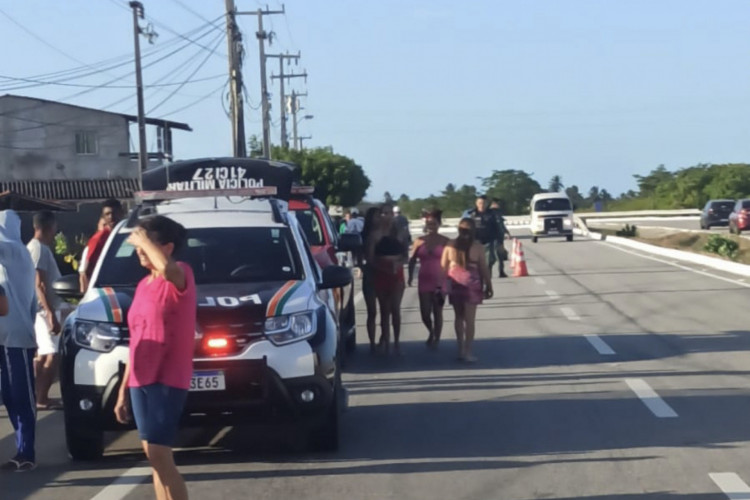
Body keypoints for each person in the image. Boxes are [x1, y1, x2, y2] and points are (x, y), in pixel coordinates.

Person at [114, 216, 196, 500]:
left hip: (168, 376)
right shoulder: (143, 286)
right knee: (153, 456)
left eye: (146, 247)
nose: (140, 252)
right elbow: (136, 339)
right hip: (140, 377)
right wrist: (123, 391)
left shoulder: (180, 274)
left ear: (168, 247)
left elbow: (166, 267)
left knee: (160, 453)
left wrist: (143, 239)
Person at [0, 210, 39, 472]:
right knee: (9, 395)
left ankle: (27, 451)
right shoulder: (10, 257)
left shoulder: (16, 251)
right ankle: (21, 448)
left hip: (16, 337)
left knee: (21, 396)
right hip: (8, 336)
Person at [441, 218, 492, 363]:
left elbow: (443, 267)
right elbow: (483, 267)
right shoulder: (478, 247)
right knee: (470, 320)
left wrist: (441, 286)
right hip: (472, 283)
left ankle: (460, 349)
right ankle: (468, 351)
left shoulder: (450, 245)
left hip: (455, 282)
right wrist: (489, 284)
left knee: (458, 317)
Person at [27, 211, 64, 410]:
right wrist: (50, 313)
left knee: (43, 354)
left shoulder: (35, 248)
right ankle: (42, 397)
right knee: (52, 354)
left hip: (42, 309)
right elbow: (39, 284)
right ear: (50, 227)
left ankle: (38, 396)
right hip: (44, 310)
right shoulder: (38, 249)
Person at [368, 204, 407, 355]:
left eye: (390, 213)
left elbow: (405, 256)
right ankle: (386, 341)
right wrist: (383, 267)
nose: (387, 216)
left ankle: (397, 341)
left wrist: (398, 263)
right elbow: (370, 258)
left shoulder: (400, 233)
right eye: (384, 213)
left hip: (396, 273)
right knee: (384, 310)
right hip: (381, 272)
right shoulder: (375, 235)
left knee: (395, 309)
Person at [408, 210, 449, 349]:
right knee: (425, 312)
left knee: (438, 311)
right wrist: (409, 276)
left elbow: (451, 261)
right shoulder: (419, 241)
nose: (431, 226)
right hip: (424, 279)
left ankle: (436, 337)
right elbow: (412, 259)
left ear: (439, 224)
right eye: (429, 223)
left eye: (434, 223)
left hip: (440, 279)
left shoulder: (445, 241)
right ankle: (431, 331)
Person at [80, 199, 124, 293]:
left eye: (114, 213)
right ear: (103, 217)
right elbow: (85, 272)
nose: (111, 217)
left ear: (121, 213)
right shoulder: (98, 240)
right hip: (104, 291)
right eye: (107, 214)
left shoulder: (131, 235)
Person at [360, 207, 381, 353]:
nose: (378, 219)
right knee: (372, 311)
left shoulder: (388, 234)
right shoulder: (364, 236)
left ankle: (384, 338)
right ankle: (372, 342)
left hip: (385, 274)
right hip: (371, 274)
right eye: (375, 216)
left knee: (386, 310)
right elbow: (359, 258)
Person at [465, 195, 500, 278]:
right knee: (475, 263)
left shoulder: (492, 214)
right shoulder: (471, 214)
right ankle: (479, 279)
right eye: (480, 203)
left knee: (489, 261)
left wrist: (499, 241)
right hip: (475, 242)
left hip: (489, 241)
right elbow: (465, 228)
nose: (482, 205)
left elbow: (497, 228)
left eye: (484, 203)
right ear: (476, 203)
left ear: (487, 204)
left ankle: (487, 279)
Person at [490, 199, 511, 278]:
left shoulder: (498, 213)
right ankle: (490, 273)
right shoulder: (491, 214)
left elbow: (501, 225)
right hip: (493, 238)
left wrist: (507, 232)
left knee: (500, 256)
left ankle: (501, 272)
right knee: (493, 257)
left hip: (499, 238)